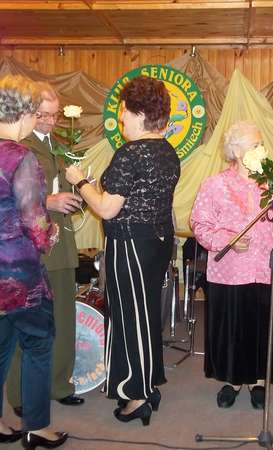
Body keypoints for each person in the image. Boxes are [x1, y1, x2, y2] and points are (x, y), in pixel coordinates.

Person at [65, 75, 180, 426]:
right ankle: (149, 385)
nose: (121, 119)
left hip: (130, 244)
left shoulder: (131, 153)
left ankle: (137, 395)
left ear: (140, 115)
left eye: (124, 112)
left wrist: (79, 181)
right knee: (146, 315)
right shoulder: (168, 151)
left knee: (130, 317)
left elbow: (106, 209)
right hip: (157, 243)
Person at [0, 75, 67, 449]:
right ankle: (36, 427)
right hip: (18, 275)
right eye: (36, 112)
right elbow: (35, 223)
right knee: (38, 344)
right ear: (25, 112)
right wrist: (52, 234)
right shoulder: (21, 157)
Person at [190, 121, 273, 410]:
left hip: (266, 270)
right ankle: (233, 380)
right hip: (229, 273)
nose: (261, 150)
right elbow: (199, 225)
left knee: (263, 327)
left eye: (261, 145)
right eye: (255, 145)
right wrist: (226, 240)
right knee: (233, 329)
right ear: (237, 152)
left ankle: (259, 381)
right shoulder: (214, 185)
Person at [6, 83, 85, 416]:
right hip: (31, 247)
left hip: (62, 245)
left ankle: (58, 384)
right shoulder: (16, 148)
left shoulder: (62, 148)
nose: (50, 121)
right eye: (43, 115)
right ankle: (21, 393)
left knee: (64, 320)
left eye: (54, 115)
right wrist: (48, 201)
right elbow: (5, 197)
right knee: (29, 321)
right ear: (28, 112)